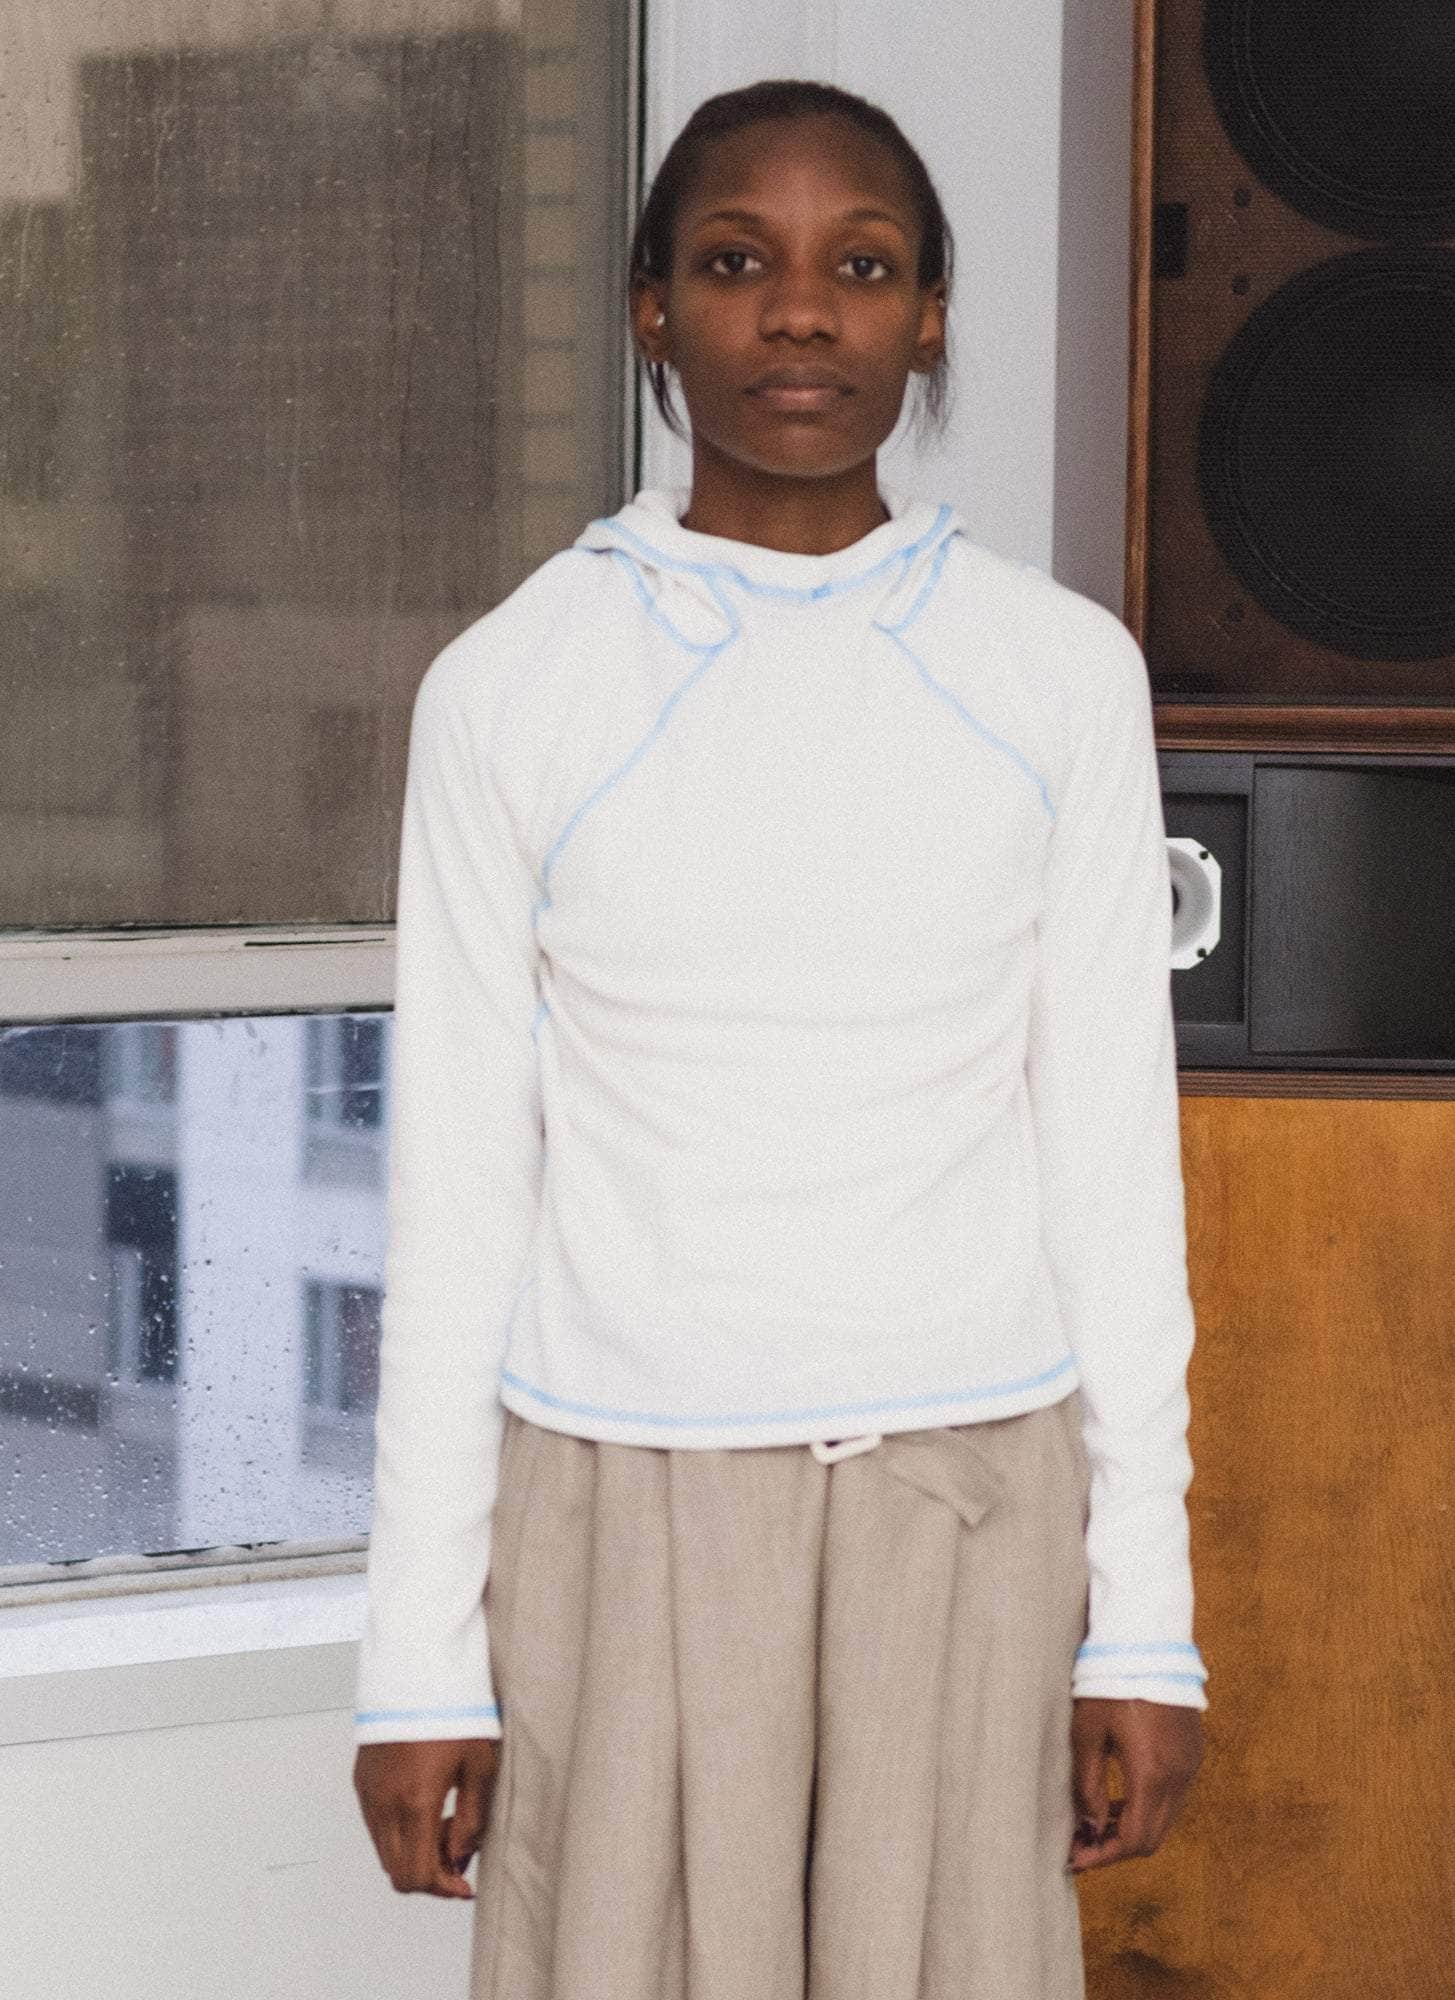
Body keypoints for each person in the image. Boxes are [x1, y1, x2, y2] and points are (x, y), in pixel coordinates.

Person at [352, 76, 1208, 1999]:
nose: (802, 312)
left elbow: (1111, 1168)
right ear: (652, 309)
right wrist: (416, 1662)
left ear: (931, 315)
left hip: (969, 1503)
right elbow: (458, 1195)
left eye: (864, 267)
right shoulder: (514, 685)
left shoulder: (1059, 675)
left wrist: (1144, 1627)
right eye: (738, 264)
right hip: (624, 1506)